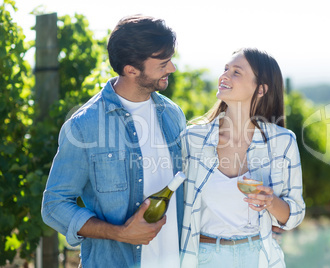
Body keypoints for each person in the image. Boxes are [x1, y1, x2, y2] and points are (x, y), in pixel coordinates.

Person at [41, 15, 186, 268]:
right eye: (163, 63)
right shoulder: (85, 125)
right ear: (131, 69)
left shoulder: (173, 113)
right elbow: (54, 205)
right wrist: (120, 233)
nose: (172, 68)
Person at [180, 48, 305, 267]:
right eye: (226, 69)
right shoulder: (193, 139)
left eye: (237, 72)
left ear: (261, 89)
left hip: (259, 257)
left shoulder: (283, 142)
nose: (224, 76)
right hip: (204, 257)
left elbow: (294, 214)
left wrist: (270, 201)